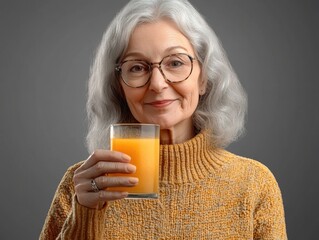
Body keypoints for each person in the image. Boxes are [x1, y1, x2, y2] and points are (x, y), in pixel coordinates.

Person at [40, 0, 287, 239]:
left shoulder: (253, 183)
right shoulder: (83, 185)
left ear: (204, 78)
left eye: (176, 62)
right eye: (137, 67)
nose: (157, 84)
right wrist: (86, 214)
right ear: (119, 87)